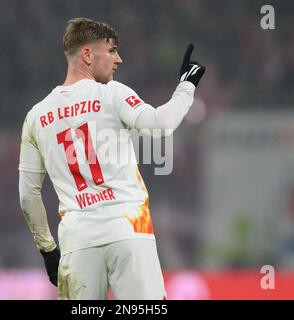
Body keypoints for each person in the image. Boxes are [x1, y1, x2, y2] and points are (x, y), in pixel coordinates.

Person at [18, 17, 205, 300]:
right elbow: (161, 125)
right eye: (112, 50)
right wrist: (187, 84)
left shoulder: (36, 117)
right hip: (129, 230)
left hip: (77, 243)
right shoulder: (112, 94)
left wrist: (48, 250)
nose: (119, 59)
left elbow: (27, 195)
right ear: (87, 54)